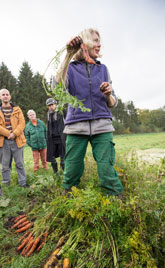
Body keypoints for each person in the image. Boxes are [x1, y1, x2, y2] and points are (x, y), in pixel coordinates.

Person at [55, 28, 123, 196]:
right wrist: (68, 55)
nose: (99, 45)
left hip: (102, 126)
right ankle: (67, 202)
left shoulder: (103, 69)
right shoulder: (70, 68)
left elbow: (113, 103)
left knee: (107, 169)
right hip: (76, 126)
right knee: (71, 170)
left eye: (100, 41)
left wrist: (108, 94)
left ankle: (116, 202)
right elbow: (56, 87)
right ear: (84, 43)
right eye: (95, 40)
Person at [0, 89, 29, 188]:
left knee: (20, 163)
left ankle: (23, 183)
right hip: (3, 141)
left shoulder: (17, 109)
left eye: (7, 94)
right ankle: (6, 184)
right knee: (5, 165)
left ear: (10, 96)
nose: (5, 96)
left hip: (17, 140)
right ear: (0, 97)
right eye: (3, 95)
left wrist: (14, 133)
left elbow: (22, 123)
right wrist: (8, 133)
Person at [46, 98, 66, 173]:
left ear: (55, 104)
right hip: (52, 138)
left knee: (62, 156)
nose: (51, 107)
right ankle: (55, 172)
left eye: (52, 105)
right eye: (49, 105)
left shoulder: (62, 111)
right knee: (52, 156)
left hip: (61, 137)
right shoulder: (48, 114)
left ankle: (63, 172)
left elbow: (67, 122)